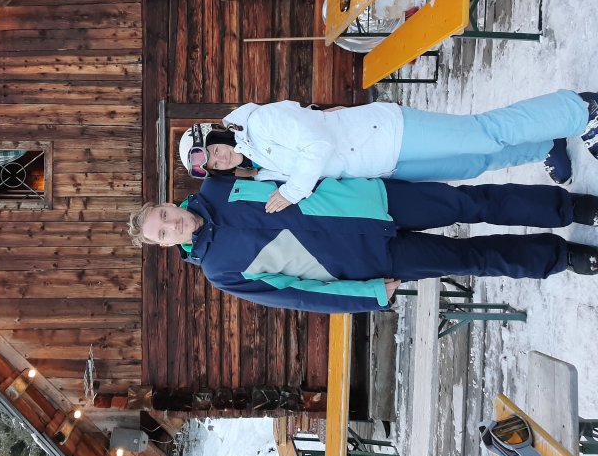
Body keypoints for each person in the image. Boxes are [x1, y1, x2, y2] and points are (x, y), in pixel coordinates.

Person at [128, 175, 598, 314]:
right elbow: (298, 295)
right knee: (470, 258)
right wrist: (368, 294)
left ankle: (570, 209)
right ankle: (562, 256)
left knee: (470, 201)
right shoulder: (220, 271)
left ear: (168, 203)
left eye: (163, 216)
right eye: (162, 233)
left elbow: (287, 161)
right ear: (166, 246)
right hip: (372, 260)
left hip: (373, 202)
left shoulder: (219, 185)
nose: (172, 225)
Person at [179, 91, 598, 214]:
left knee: (483, 133)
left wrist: (292, 191)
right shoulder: (261, 167)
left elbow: (318, 144)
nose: (219, 159)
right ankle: (546, 143)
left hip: (389, 132)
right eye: (212, 165)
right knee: (475, 163)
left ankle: (580, 109)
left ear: (217, 135)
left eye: (213, 150)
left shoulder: (260, 123)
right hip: (385, 164)